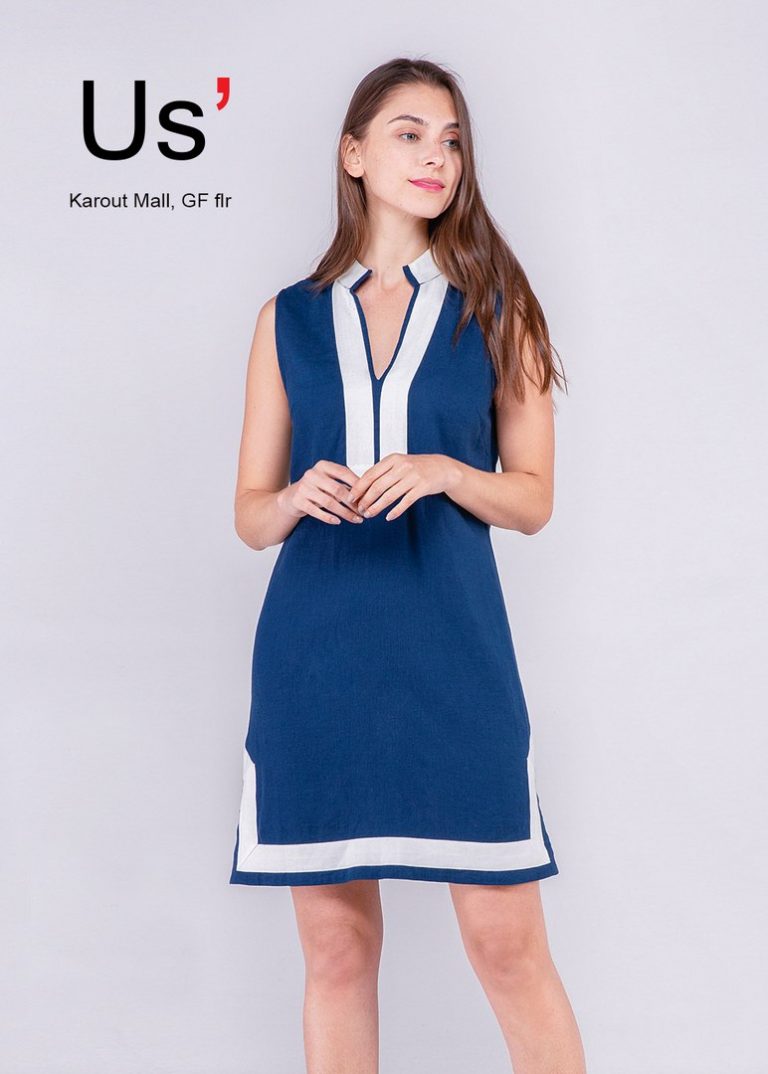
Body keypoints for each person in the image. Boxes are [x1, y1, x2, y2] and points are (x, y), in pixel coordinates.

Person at [229, 56, 586, 1074]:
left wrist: (445, 471)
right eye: (409, 133)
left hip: (454, 656)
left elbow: (534, 498)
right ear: (353, 154)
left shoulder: (499, 306)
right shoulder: (288, 318)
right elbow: (250, 514)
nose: (437, 156)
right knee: (338, 953)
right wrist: (294, 499)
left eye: (452, 140)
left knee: (507, 947)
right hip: (315, 659)